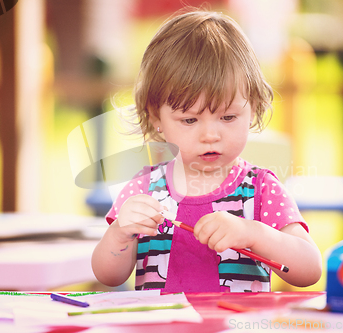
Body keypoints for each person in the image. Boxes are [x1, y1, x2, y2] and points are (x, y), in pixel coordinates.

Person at [92, 9, 322, 292]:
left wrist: (254, 233)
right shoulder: (144, 189)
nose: (211, 135)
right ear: (155, 117)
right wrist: (119, 234)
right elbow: (108, 276)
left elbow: (310, 269)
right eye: (189, 120)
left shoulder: (261, 190)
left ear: (252, 109)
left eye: (228, 118)